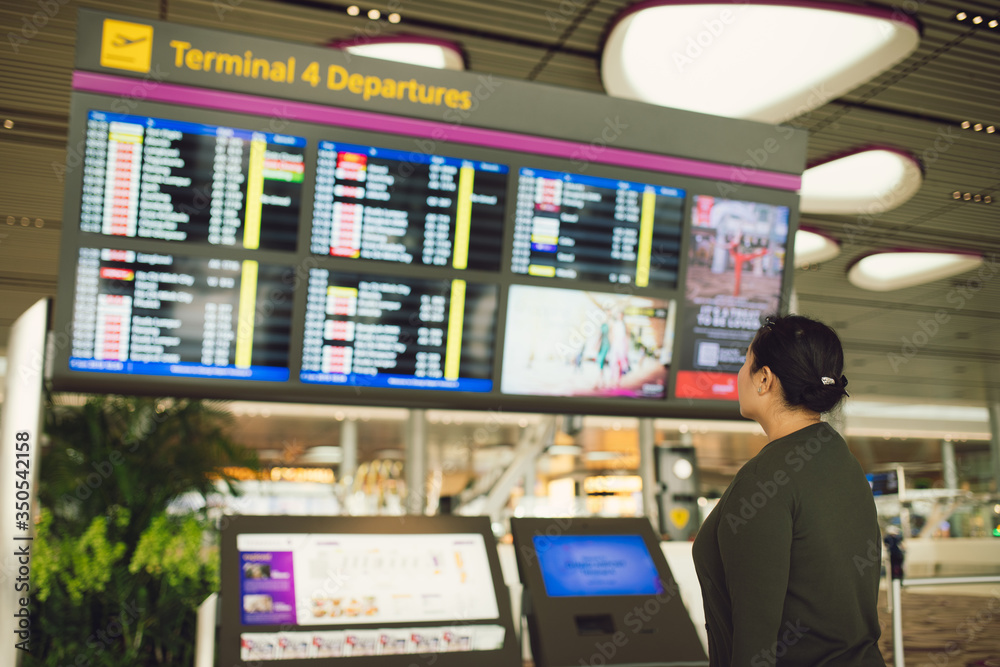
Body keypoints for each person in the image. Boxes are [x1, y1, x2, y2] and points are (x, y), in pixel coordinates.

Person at [692, 314, 885, 666]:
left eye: (744, 362)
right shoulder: (841, 458)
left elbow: (755, 639)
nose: (739, 375)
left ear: (764, 379)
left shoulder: (765, 479)